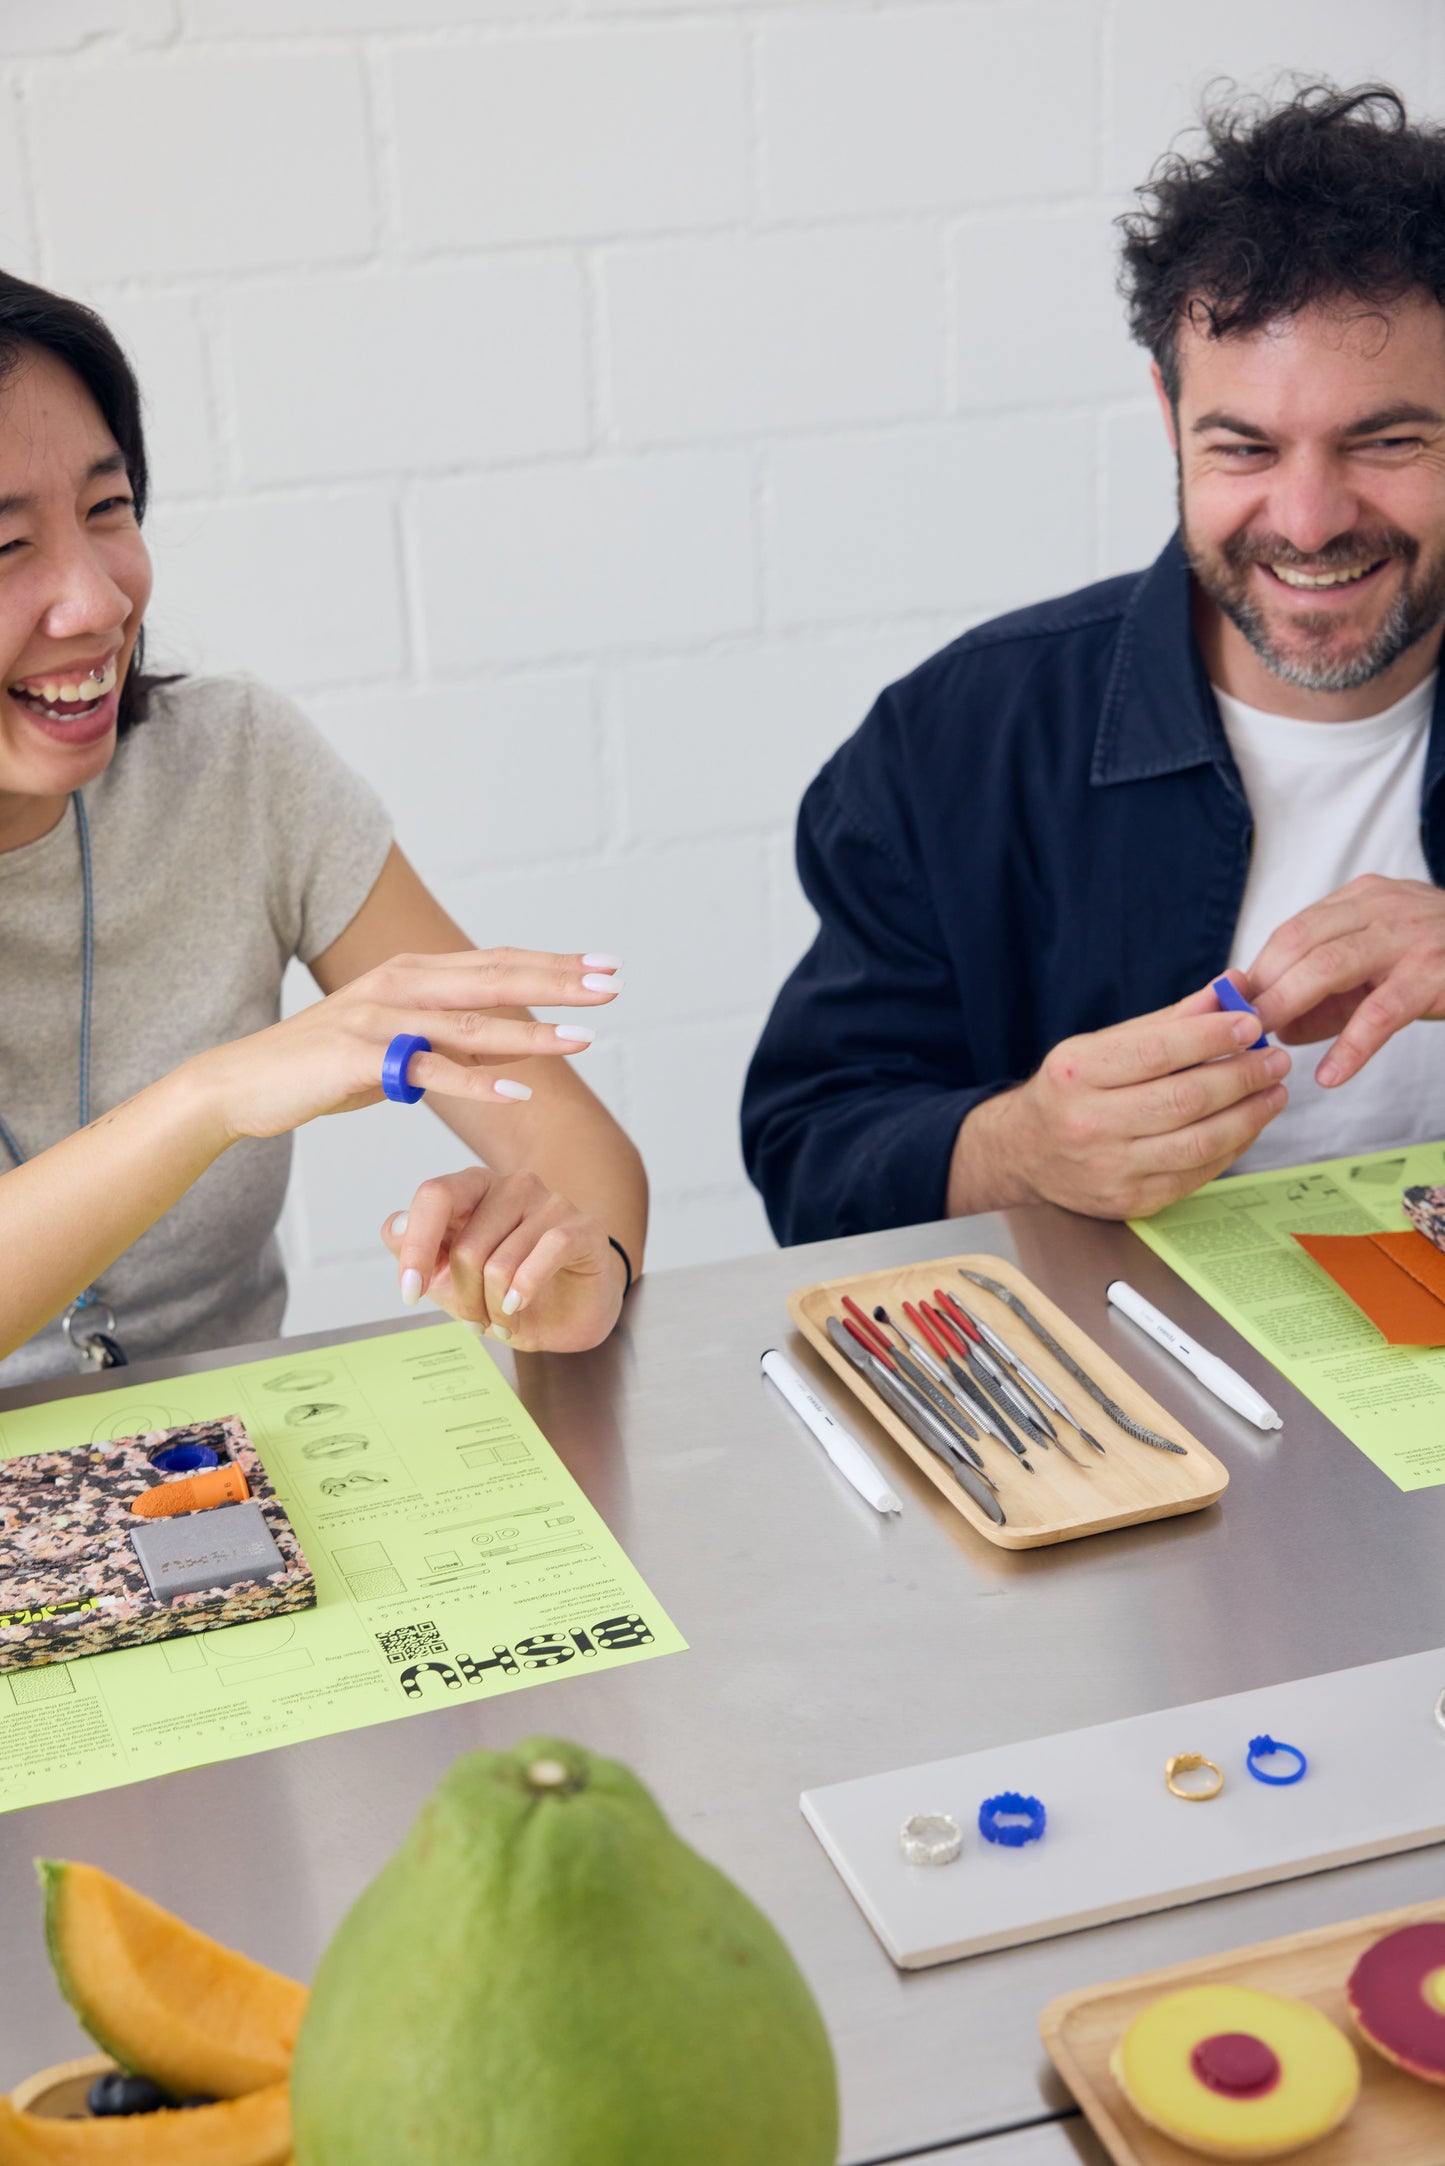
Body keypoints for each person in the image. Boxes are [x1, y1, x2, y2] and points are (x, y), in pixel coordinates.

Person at [743, 83, 1445, 1246]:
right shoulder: (956, 743)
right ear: (1169, 420)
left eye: (1385, 441)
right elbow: (809, 1157)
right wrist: (1017, 1146)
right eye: (1243, 446)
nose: (1310, 520)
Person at [0, 270, 646, 1384]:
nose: (100, 602)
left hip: (240, 1489)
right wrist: (209, 1098)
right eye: (5, 547)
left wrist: (569, 1261)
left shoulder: (234, 763)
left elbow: (574, 1146)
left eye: (108, 509)